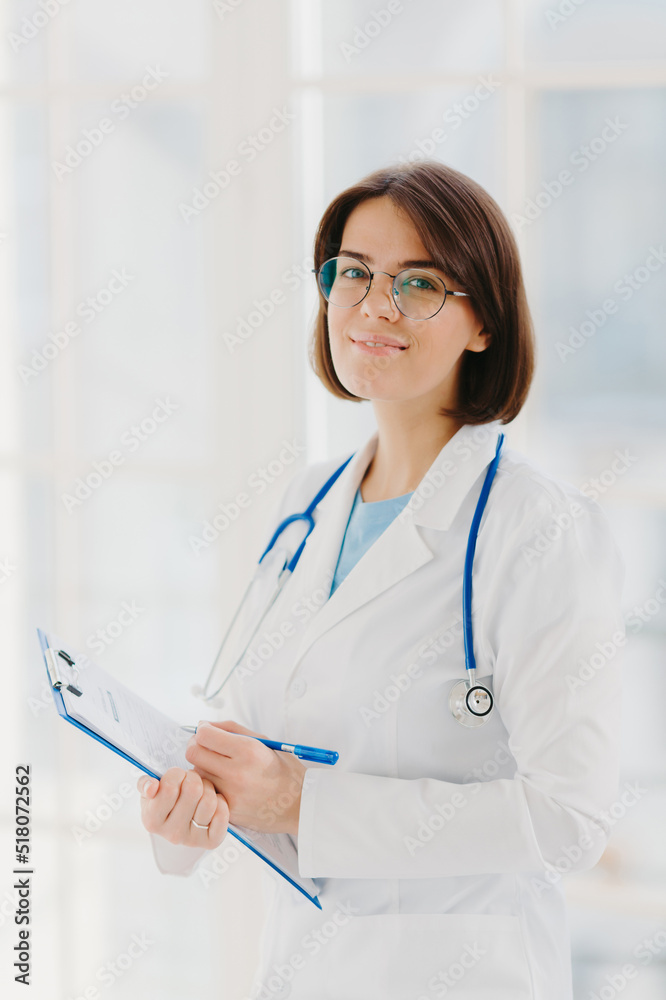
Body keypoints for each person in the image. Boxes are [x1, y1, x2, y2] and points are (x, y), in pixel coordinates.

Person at [137, 160, 625, 1000]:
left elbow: (570, 819)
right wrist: (193, 809)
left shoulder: (538, 531)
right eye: (354, 272)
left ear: (484, 325)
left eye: (421, 283)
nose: (375, 305)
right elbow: (275, 758)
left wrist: (303, 803)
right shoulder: (308, 506)